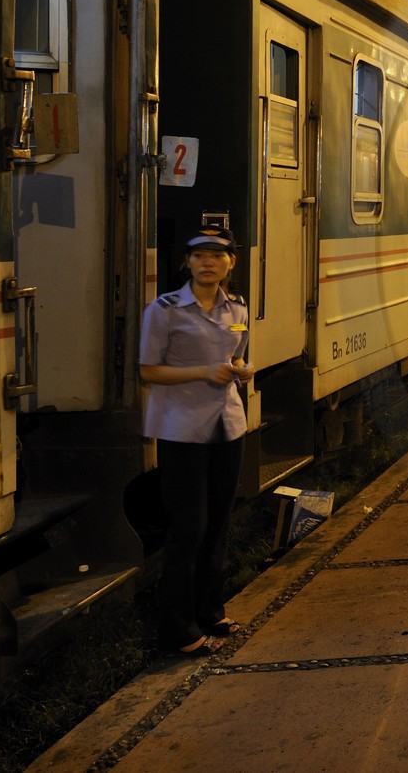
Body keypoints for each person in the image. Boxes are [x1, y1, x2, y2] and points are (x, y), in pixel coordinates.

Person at [139, 224, 255, 656]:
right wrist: (203, 372)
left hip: (227, 425)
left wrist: (242, 368)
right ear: (187, 263)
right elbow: (149, 370)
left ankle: (210, 612)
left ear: (231, 263)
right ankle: (177, 630)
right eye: (199, 256)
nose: (208, 263)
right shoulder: (165, 310)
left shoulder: (237, 306)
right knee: (189, 529)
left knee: (218, 526)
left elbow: (237, 354)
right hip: (182, 429)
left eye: (217, 255)